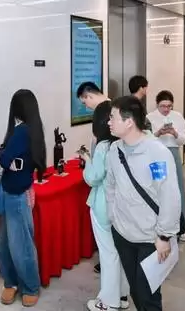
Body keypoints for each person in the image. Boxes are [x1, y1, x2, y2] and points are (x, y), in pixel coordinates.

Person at [106, 96, 180, 311]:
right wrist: (113, 218)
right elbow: (110, 186)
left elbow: (169, 196)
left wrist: (164, 236)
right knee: (136, 292)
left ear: (129, 122)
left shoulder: (157, 154)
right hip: (123, 233)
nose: (109, 122)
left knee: (148, 295)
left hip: (151, 238)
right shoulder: (115, 150)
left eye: (113, 117)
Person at [0, 89, 45, 307]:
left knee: (21, 245)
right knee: (5, 244)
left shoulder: (22, 132)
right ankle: (11, 283)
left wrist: (1, 152)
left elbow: (5, 159)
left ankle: (30, 287)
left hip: (16, 194)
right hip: (13, 191)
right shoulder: (32, 129)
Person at [81, 101, 130, 311]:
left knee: (108, 254)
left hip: (102, 205)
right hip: (122, 205)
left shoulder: (103, 146)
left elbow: (93, 177)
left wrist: (87, 159)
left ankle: (108, 302)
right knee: (121, 252)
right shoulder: (124, 143)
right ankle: (122, 295)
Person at [76, 81, 111, 274]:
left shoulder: (104, 113)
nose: (86, 106)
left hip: (105, 194)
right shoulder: (114, 107)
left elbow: (94, 176)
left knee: (109, 247)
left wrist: (88, 159)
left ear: (88, 95)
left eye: (84, 102)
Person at [147, 90, 185, 242]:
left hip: (173, 153)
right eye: (163, 106)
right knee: (158, 189)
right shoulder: (150, 117)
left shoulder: (177, 116)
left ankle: (181, 227)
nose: (166, 109)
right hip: (156, 155)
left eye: (169, 106)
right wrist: (158, 133)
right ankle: (158, 226)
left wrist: (175, 133)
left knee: (177, 189)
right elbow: (145, 139)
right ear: (157, 105)